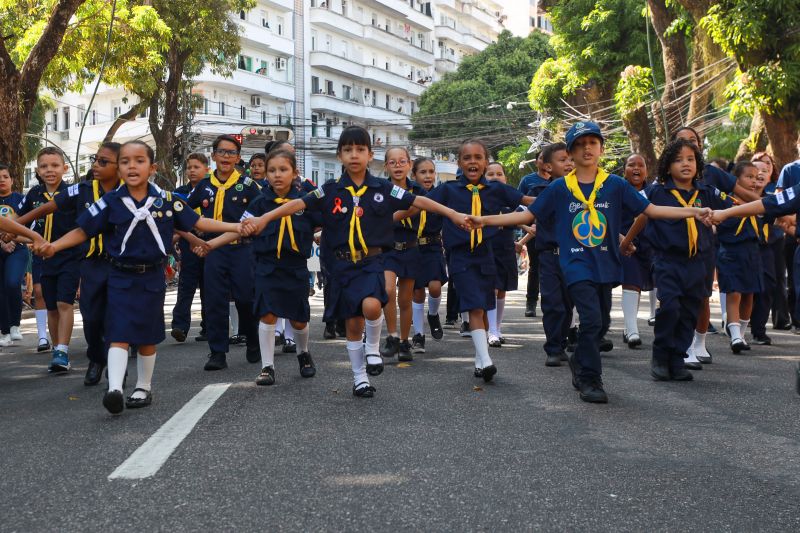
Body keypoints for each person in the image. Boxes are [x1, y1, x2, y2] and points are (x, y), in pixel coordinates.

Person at [467, 122, 711, 403]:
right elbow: (527, 216)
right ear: (570, 153)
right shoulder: (560, 188)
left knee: (601, 322)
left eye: (592, 143)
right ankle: (590, 378)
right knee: (592, 319)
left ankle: (579, 359)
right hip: (575, 264)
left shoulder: (615, 185)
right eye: (580, 144)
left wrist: (693, 211)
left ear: (601, 149)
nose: (587, 148)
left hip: (606, 265)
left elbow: (652, 210)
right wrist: (484, 220)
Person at [240, 126, 467, 398]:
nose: (354, 155)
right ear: (340, 156)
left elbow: (417, 200)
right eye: (348, 150)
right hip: (342, 266)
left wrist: (452, 214)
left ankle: (373, 349)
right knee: (353, 325)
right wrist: (264, 218)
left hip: (371, 261)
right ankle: (360, 378)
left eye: (360, 149)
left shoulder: (383, 188)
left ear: (370, 155)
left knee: (372, 305)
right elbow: (297, 205)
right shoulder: (329, 190)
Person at [35, 140, 243, 414]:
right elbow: (83, 230)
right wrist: (54, 246)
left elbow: (198, 222)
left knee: (147, 336)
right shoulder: (110, 201)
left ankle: (143, 387)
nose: (132, 166)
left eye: (139, 161)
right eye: (125, 162)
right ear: (119, 169)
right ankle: (114, 389)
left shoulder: (167, 200)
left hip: (152, 277)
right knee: (118, 331)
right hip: (119, 276)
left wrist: (237, 227)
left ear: (152, 168)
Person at [200, 150, 320, 385]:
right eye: (271, 170)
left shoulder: (305, 201)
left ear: (295, 172)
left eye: (283, 170)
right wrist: (210, 245)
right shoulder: (259, 203)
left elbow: (326, 224)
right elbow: (240, 228)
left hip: (295, 267)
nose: (277, 175)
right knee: (267, 314)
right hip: (266, 266)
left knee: (298, 319)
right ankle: (267, 367)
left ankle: (303, 353)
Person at [423, 140, 534, 382]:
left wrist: (561, 199)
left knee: (483, 307)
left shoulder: (497, 189)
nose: (472, 162)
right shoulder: (448, 190)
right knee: (474, 305)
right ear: (459, 163)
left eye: (478, 157)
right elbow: (421, 202)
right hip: (460, 256)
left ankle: (479, 360)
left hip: (487, 254)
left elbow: (527, 201)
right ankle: (486, 360)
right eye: (467, 158)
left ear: (485, 162)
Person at [622, 138, 731, 380]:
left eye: (691, 159)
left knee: (690, 310)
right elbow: (642, 215)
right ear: (667, 166)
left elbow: (728, 209)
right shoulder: (657, 191)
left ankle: (678, 358)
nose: (686, 164)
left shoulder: (706, 192)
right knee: (670, 307)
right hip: (667, 260)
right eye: (678, 160)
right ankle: (661, 357)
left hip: (698, 261)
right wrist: (627, 240)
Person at [15, 143, 123, 385]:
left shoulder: (131, 191)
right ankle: (92, 357)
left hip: (114, 261)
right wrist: (15, 228)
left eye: (103, 161)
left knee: (113, 311)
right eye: (95, 160)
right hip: (83, 260)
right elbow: (48, 208)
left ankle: (118, 366)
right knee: (89, 315)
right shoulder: (80, 189)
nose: (96, 165)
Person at [672, 127, 760, 363]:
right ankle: (682, 346)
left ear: (700, 145)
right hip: (673, 245)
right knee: (676, 298)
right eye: (682, 141)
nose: (689, 144)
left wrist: (772, 208)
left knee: (701, 296)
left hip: (704, 245)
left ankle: (699, 344)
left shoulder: (711, 174)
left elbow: (742, 195)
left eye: (693, 140)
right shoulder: (664, 177)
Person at [186, 134, 261, 371]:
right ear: (213, 155)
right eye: (221, 152)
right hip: (213, 251)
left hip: (242, 249)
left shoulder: (248, 185)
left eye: (231, 153)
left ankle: (253, 339)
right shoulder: (204, 185)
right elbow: (185, 212)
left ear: (238, 158)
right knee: (214, 300)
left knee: (245, 298)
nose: (226, 156)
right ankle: (217, 352)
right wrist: (193, 234)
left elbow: (259, 214)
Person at [17, 147, 81, 372]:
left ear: (65, 168)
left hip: (70, 255)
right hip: (43, 258)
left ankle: (62, 350)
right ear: (37, 170)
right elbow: (19, 219)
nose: (49, 170)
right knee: (51, 305)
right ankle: (56, 349)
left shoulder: (73, 193)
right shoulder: (34, 195)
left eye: (55, 165)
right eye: (44, 166)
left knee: (64, 302)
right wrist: (9, 232)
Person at [515, 142, 574, 366]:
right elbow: (522, 215)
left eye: (571, 159)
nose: (569, 163)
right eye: (562, 160)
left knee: (568, 303)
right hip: (548, 254)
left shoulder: (583, 190)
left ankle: (563, 341)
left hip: (574, 255)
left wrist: (621, 239)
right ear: (548, 167)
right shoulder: (540, 192)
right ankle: (553, 347)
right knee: (552, 302)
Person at [380, 147, 425, 361]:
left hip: (411, 247)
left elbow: (417, 208)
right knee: (388, 291)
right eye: (392, 162)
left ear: (409, 164)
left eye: (402, 161)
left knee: (405, 300)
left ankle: (405, 342)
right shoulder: (381, 189)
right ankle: (392, 336)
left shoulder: (418, 189)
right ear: (386, 166)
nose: (397, 166)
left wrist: (389, 218)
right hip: (388, 248)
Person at [716, 162, 764, 353]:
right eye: (748, 177)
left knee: (749, 293)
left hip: (752, 253)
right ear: (735, 180)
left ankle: (742, 335)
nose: (754, 181)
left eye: (756, 177)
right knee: (734, 292)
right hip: (730, 251)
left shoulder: (758, 203)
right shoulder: (725, 201)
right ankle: (734, 335)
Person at [171, 153, 210, 344]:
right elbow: (175, 219)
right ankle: (180, 326)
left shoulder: (212, 190)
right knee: (186, 286)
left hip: (210, 243)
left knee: (208, 287)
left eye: (196, 167)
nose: (192, 171)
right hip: (188, 244)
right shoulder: (180, 193)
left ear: (207, 169)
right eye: (189, 167)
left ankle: (208, 327)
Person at [410, 157, 446, 353]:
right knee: (417, 292)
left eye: (431, 172)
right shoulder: (408, 195)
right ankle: (418, 335)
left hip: (433, 246)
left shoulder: (440, 195)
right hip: (413, 247)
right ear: (414, 175)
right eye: (423, 172)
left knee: (434, 286)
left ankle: (433, 315)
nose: (428, 176)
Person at [620, 154, 655, 349]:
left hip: (649, 245)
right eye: (631, 164)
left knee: (639, 284)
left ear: (646, 171)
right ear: (624, 170)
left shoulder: (654, 192)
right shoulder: (617, 190)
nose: (636, 168)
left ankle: (628, 327)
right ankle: (633, 330)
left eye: (640, 165)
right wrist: (623, 239)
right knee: (631, 281)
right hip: (623, 243)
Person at [484, 162, 518, 347]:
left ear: (505, 178)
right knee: (493, 288)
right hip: (487, 248)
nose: (495, 177)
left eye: (499, 174)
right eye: (490, 174)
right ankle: (491, 331)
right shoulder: (480, 198)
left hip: (506, 248)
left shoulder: (512, 198)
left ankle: (497, 328)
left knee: (502, 289)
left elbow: (521, 218)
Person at [750, 157, 781, 345]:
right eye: (756, 170)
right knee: (743, 288)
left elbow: (785, 218)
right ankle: (736, 327)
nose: (760, 174)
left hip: (766, 247)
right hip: (742, 247)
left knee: (768, 285)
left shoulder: (773, 199)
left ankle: (758, 330)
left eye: (765, 170)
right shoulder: (734, 197)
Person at [0, 164, 31, 347]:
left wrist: (13, 239)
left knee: (12, 283)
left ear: (12, 180)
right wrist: (2, 242)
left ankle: (14, 325)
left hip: (18, 249)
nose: (1, 180)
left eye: (5, 176)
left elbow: (30, 228)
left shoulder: (22, 200)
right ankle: (4, 331)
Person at [517, 150, 547, 317]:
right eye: (541, 158)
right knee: (535, 267)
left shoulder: (560, 180)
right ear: (536, 162)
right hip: (533, 230)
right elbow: (519, 205)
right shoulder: (528, 181)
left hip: (555, 230)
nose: (545, 161)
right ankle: (531, 303)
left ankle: (551, 303)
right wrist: (527, 226)